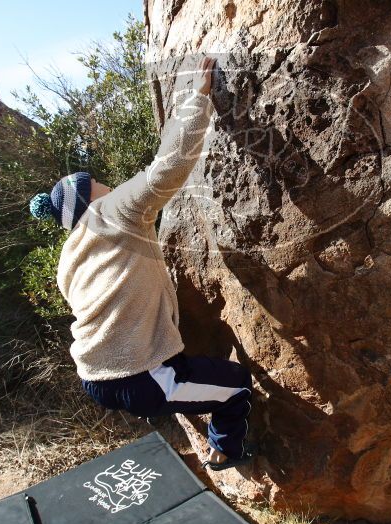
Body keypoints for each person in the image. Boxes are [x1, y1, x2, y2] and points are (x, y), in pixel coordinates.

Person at [29, 57, 253, 471]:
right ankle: (225, 455)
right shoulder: (112, 213)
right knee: (236, 386)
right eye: (94, 182)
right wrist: (198, 98)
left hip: (96, 378)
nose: (103, 182)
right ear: (88, 198)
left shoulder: (70, 254)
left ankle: (185, 412)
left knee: (183, 384)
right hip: (136, 375)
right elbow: (167, 167)